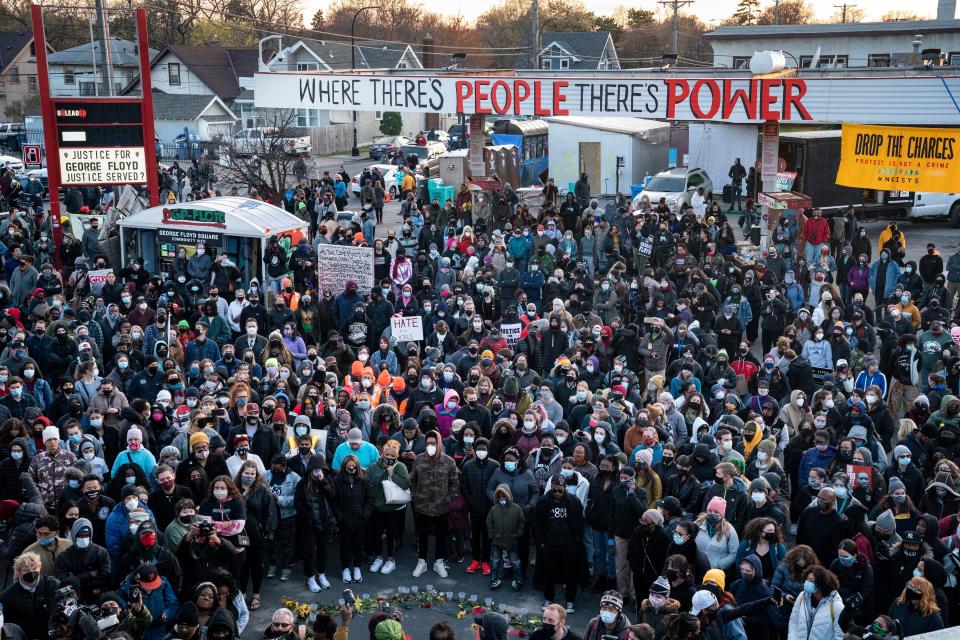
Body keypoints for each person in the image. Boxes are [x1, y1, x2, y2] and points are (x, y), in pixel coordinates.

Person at [787, 565, 844, 640]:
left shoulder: (836, 605)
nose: (807, 583)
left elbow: (840, 635)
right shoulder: (802, 597)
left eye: (811, 581)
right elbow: (794, 622)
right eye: (807, 580)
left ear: (821, 583)